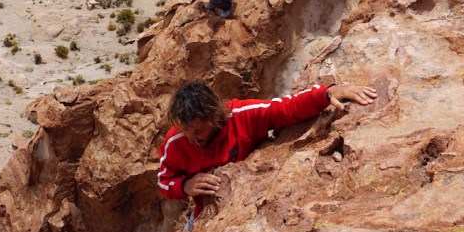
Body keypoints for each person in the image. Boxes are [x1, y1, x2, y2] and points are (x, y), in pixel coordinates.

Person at [157, 80, 377, 220]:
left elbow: (284, 108)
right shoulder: (175, 141)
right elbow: (163, 182)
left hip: (250, 203)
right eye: (187, 130)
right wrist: (185, 185)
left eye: (197, 130)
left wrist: (327, 93)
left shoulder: (241, 115)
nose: (192, 137)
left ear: (214, 115)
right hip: (206, 215)